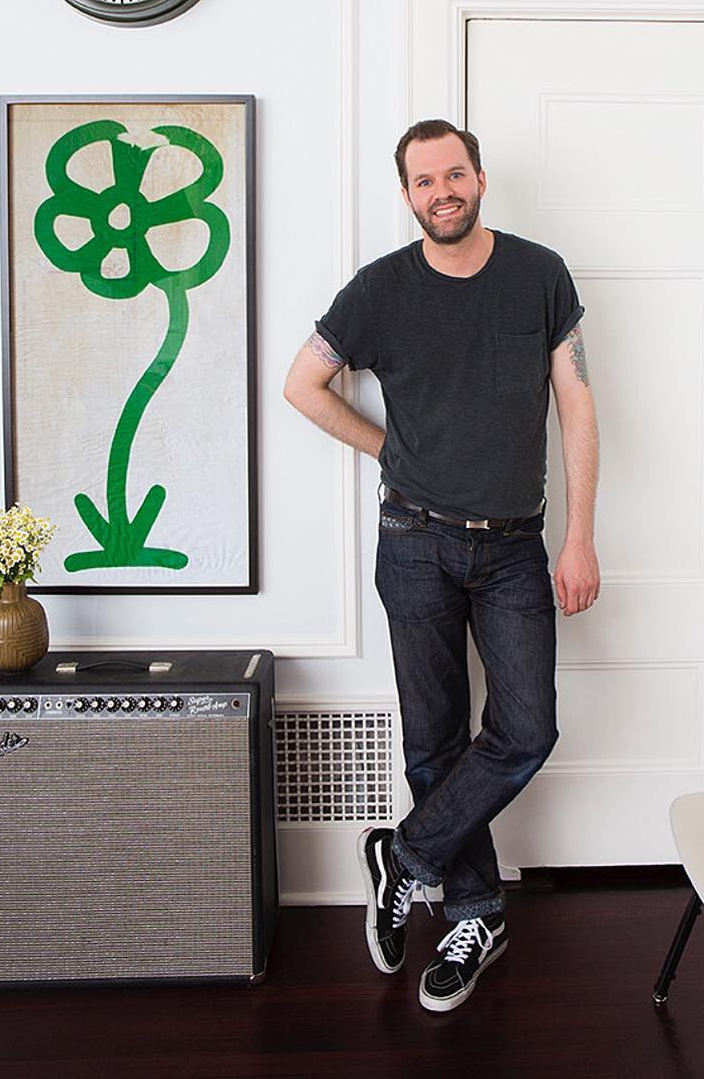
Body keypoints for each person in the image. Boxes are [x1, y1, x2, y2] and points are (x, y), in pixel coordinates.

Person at [284, 118, 600, 1012]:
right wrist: (386, 447)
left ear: (481, 178)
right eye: (424, 182)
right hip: (413, 539)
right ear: (408, 194)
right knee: (434, 742)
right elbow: (301, 385)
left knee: (526, 730)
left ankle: (404, 856)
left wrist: (579, 537)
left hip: (514, 549)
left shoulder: (539, 274)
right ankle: (474, 912)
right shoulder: (379, 291)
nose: (442, 192)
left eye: (454, 174)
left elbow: (576, 405)